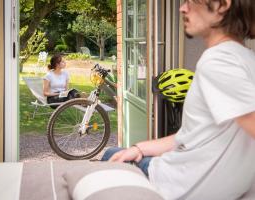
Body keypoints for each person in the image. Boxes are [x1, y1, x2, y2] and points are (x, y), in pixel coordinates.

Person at [102, 0, 255, 199]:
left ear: (222, 5)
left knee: (109, 156)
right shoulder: (247, 59)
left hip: (177, 187)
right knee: (120, 151)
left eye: (191, 1)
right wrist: (139, 148)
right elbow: (191, 136)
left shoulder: (218, 61)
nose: (182, 8)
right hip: (199, 177)